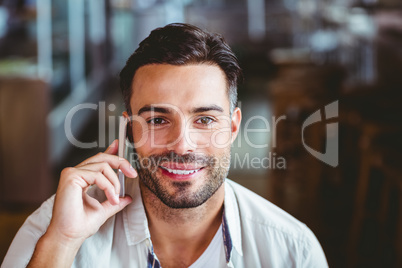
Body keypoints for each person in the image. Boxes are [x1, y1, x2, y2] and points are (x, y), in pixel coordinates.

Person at [2, 23, 328, 268]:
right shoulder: (57, 226)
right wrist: (62, 243)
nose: (183, 145)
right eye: (157, 120)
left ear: (232, 127)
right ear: (130, 130)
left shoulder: (292, 251)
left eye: (204, 119)